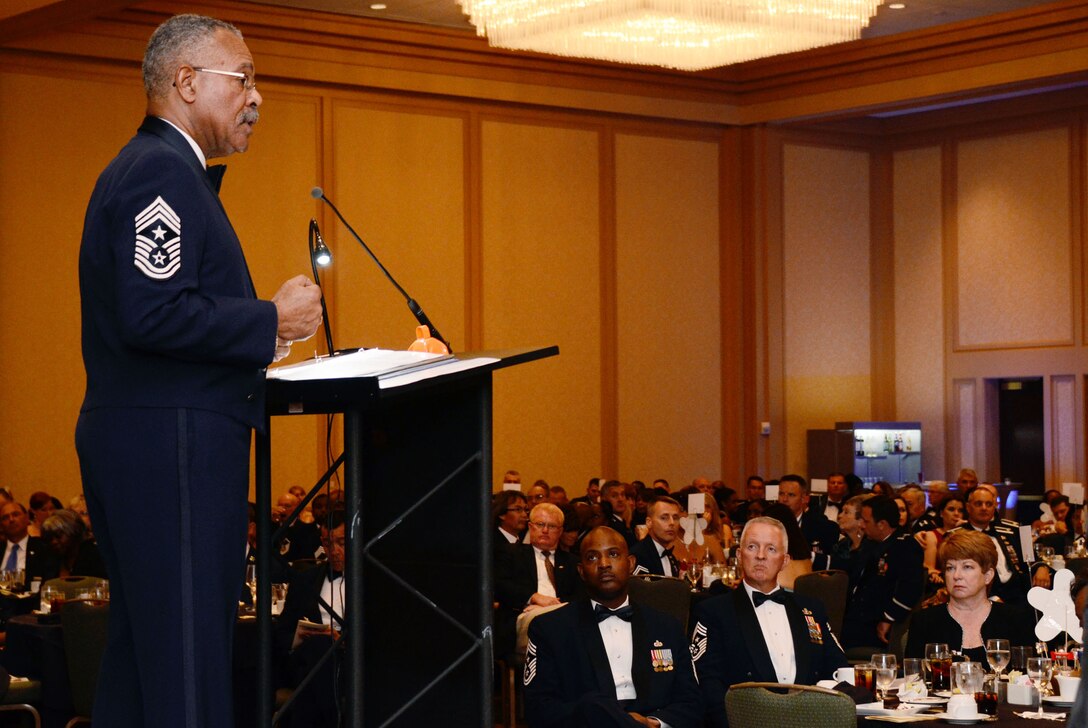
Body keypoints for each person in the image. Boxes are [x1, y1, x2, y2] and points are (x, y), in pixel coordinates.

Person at [74, 14, 323, 728]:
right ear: (186, 82)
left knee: (145, 661)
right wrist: (270, 321)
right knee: (186, 658)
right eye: (242, 78)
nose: (257, 97)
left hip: (152, 440)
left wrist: (265, 334)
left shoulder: (159, 170)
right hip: (172, 446)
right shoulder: (161, 172)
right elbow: (153, 313)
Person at [522, 526, 701, 728]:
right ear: (581, 571)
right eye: (592, 557)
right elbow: (538, 708)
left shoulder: (667, 627)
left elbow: (691, 701)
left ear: (630, 563)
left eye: (613, 554)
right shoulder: (551, 629)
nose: (604, 564)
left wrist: (654, 723)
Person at [690, 517, 846, 728]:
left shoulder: (811, 609)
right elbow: (708, 684)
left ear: (785, 561)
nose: (760, 556)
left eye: (771, 549)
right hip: (746, 722)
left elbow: (838, 668)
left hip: (810, 719)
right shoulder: (714, 612)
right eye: (752, 547)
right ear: (739, 555)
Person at [904, 530, 1035, 662]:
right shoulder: (924, 622)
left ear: (988, 575)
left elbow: (1029, 672)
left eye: (967, 567)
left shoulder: (1016, 620)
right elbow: (913, 674)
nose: (956, 576)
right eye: (950, 568)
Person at [274, 505, 347, 728]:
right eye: (328, 543)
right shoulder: (306, 579)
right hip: (306, 657)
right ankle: (336, 720)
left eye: (342, 543)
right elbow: (281, 633)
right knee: (319, 646)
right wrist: (300, 637)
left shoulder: (371, 581)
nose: (334, 551)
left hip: (349, 662)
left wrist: (342, 641)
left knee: (309, 693)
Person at [842, 495, 924, 649]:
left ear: (881, 524)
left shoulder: (906, 547)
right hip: (856, 619)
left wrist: (888, 618)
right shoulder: (870, 543)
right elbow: (850, 568)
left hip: (878, 625)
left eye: (866, 521)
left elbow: (910, 588)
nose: (861, 525)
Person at [40, 509, 107, 578]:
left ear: (74, 532)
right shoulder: (52, 560)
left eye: (58, 536)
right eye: (49, 538)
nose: (54, 542)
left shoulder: (94, 556)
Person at [917, 495, 966, 586]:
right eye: (951, 509)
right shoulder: (932, 535)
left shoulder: (967, 535)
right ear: (941, 513)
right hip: (940, 581)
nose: (956, 514)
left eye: (960, 510)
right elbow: (929, 567)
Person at [631, 497, 682, 577]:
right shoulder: (639, 556)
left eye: (675, 518)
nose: (672, 523)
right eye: (664, 518)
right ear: (649, 522)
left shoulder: (670, 557)